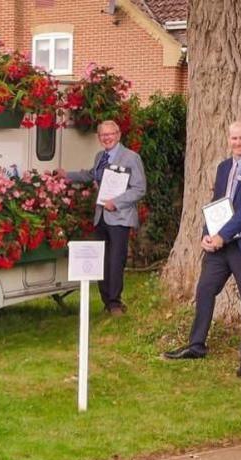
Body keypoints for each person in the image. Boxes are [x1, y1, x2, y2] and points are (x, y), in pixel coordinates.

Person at [163, 121, 241, 379]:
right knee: (204, 290)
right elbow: (217, 204)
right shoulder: (224, 167)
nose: (238, 143)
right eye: (234, 138)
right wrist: (206, 234)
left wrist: (222, 235)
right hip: (219, 247)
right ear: (228, 140)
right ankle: (196, 346)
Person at [65, 120, 146, 316]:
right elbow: (92, 175)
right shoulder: (100, 156)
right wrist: (66, 175)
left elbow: (139, 188)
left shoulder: (131, 157)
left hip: (119, 217)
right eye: (103, 135)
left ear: (118, 135)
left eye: (110, 134)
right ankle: (106, 302)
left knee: (116, 261)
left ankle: (115, 303)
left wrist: (116, 202)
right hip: (101, 217)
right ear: (99, 138)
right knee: (101, 260)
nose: (107, 138)